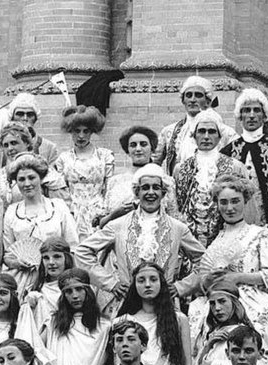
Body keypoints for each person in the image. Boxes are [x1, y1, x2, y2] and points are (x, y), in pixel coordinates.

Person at [75, 162, 205, 312]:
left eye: (156, 187)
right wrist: (111, 284)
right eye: (145, 188)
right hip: (127, 303)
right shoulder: (118, 225)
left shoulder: (178, 228)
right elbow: (82, 251)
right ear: (137, 193)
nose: (151, 192)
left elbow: (205, 261)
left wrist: (181, 287)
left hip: (165, 305)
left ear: (163, 193)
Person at [186, 174, 268, 352]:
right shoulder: (216, 239)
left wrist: (237, 277)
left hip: (249, 299)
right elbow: (205, 278)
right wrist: (208, 281)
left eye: (235, 201)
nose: (229, 208)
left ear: (245, 201)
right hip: (216, 299)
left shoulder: (260, 234)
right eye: (223, 202)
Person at [115, 261, 193, 365]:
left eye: (153, 279)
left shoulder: (179, 320)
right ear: (134, 285)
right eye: (141, 280)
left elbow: (186, 362)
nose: (147, 284)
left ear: (161, 283)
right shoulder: (121, 321)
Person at [3, 154, 79, 295]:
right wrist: (16, 262)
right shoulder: (12, 212)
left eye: (32, 177)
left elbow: (73, 246)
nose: (27, 184)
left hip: (55, 278)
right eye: (21, 179)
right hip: (23, 279)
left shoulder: (58, 207)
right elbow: (8, 252)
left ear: (41, 178)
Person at [175, 108, 248, 247]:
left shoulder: (235, 167)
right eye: (202, 131)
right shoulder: (180, 169)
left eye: (212, 131)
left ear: (220, 136)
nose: (206, 136)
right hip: (188, 245)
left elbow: (246, 209)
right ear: (194, 135)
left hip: (226, 241)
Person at [221, 87, 268, 225]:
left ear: (264, 116)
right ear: (240, 116)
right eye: (247, 110)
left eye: (256, 110)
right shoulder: (227, 152)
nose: (252, 115)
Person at [55, 105, 115, 240]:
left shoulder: (105, 156)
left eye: (86, 131)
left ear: (92, 132)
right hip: (71, 213)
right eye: (77, 131)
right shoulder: (63, 159)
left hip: (98, 211)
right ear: (70, 131)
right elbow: (61, 191)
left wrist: (104, 213)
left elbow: (109, 187)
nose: (81, 136)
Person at [158, 75, 238, 175]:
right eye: (189, 95)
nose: (192, 99)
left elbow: (238, 165)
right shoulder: (169, 132)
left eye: (198, 95)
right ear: (183, 100)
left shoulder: (226, 133)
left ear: (208, 101)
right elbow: (154, 164)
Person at [100, 125, 176, 227]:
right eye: (133, 145)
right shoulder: (115, 182)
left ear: (152, 149)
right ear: (127, 150)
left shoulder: (166, 181)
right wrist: (115, 214)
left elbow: (174, 219)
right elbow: (102, 223)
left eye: (143, 144)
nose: (138, 149)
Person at [191, 277, 255, 365]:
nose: (217, 308)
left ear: (234, 302)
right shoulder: (213, 333)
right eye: (212, 303)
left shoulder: (244, 332)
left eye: (222, 301)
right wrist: (208, 345)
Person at [0, 121, 67, 207]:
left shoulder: (43, 170)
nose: (10, 148)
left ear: (26, 143)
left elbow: (61, 204)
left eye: (14, 143)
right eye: (6, 145)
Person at [0, 93, 60, 171]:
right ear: (12, 117)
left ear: (35, 118)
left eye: (30, 114)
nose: (25, 118)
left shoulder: (49, 148)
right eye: (20, 114)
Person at [24, 237, 75, 330]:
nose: (51, 262)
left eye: (57, 256)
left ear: (66, 258)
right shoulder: (35, 288)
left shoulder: (75, 288)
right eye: (46, 258)